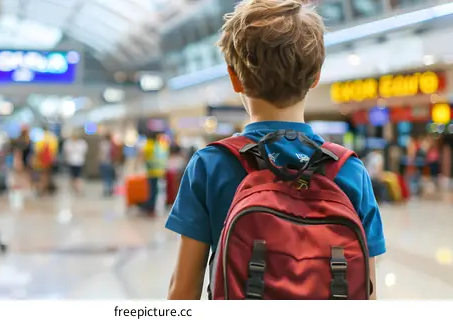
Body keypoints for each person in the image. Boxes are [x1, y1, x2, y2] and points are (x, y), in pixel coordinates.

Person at [165, 0, 385, 300]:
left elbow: (183, 292)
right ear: (316, 75)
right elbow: (367, 296)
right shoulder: (349, 170)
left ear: (234, 78)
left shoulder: (211, 165)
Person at [139, 132, 169, 215]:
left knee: (152, 191)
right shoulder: (157, 145)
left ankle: (150, 207)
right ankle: (151, 207)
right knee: (154, 191)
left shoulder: (149, 145)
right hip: (158, 171)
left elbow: (143, 157)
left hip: (151, 171)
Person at [33, 127, 58, 196]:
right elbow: (54, 151)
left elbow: (37, 151)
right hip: (49, 161)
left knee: (41, 176)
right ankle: (45, 189)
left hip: (40, 162)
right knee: (47, 175)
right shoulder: (53, 138)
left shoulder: (40, 138)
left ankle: (42, 189)